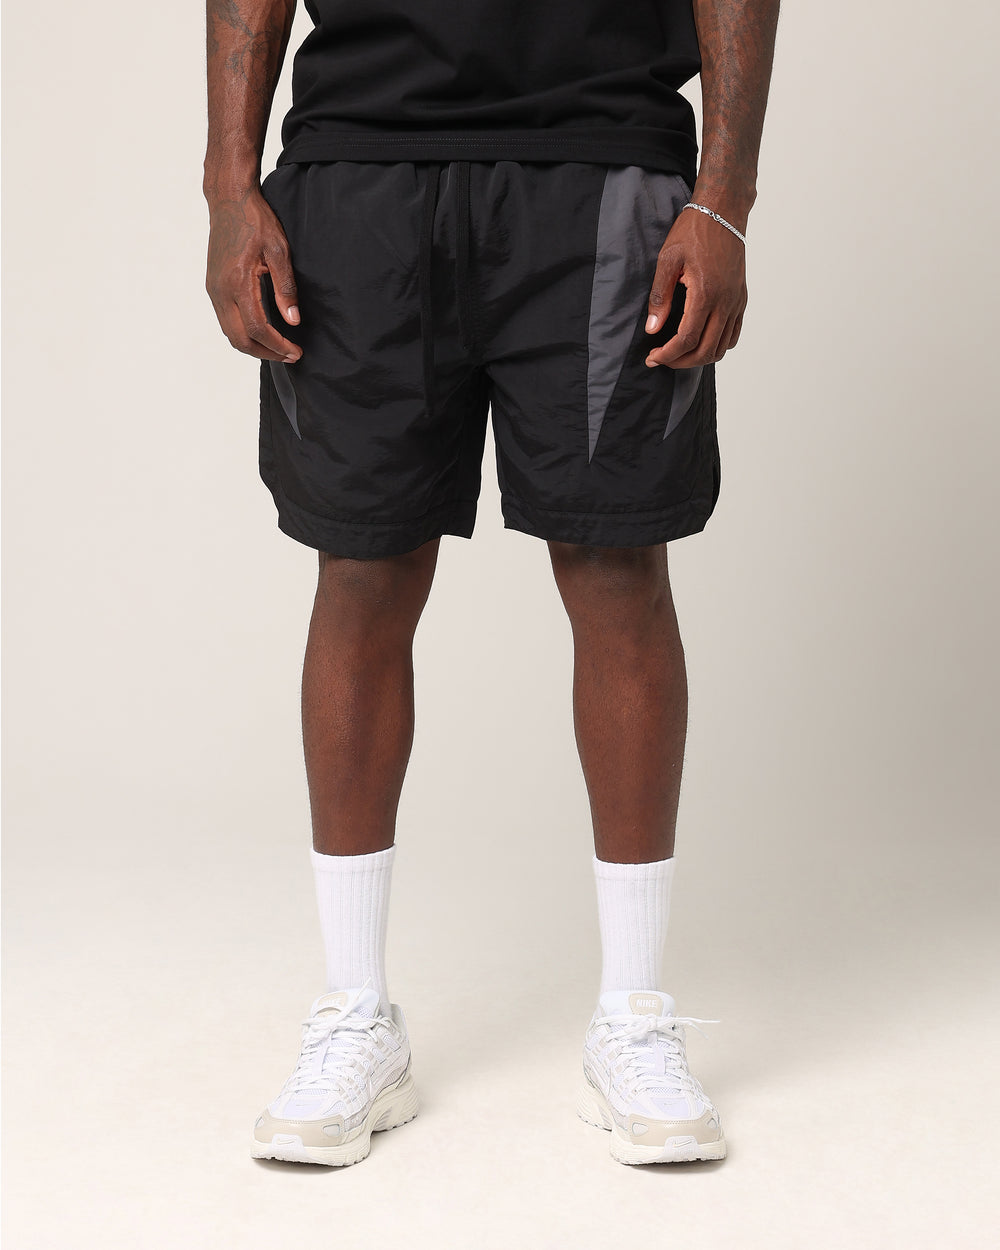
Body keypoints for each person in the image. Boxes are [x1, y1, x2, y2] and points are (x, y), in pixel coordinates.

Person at [204, 0, 779, 1167]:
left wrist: (724, 196)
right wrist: (227, 186)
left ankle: (633, 1015)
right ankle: (356, 1011)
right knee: (361, 569)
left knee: (617, 569)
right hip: (359, 173)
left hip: (602, 163)